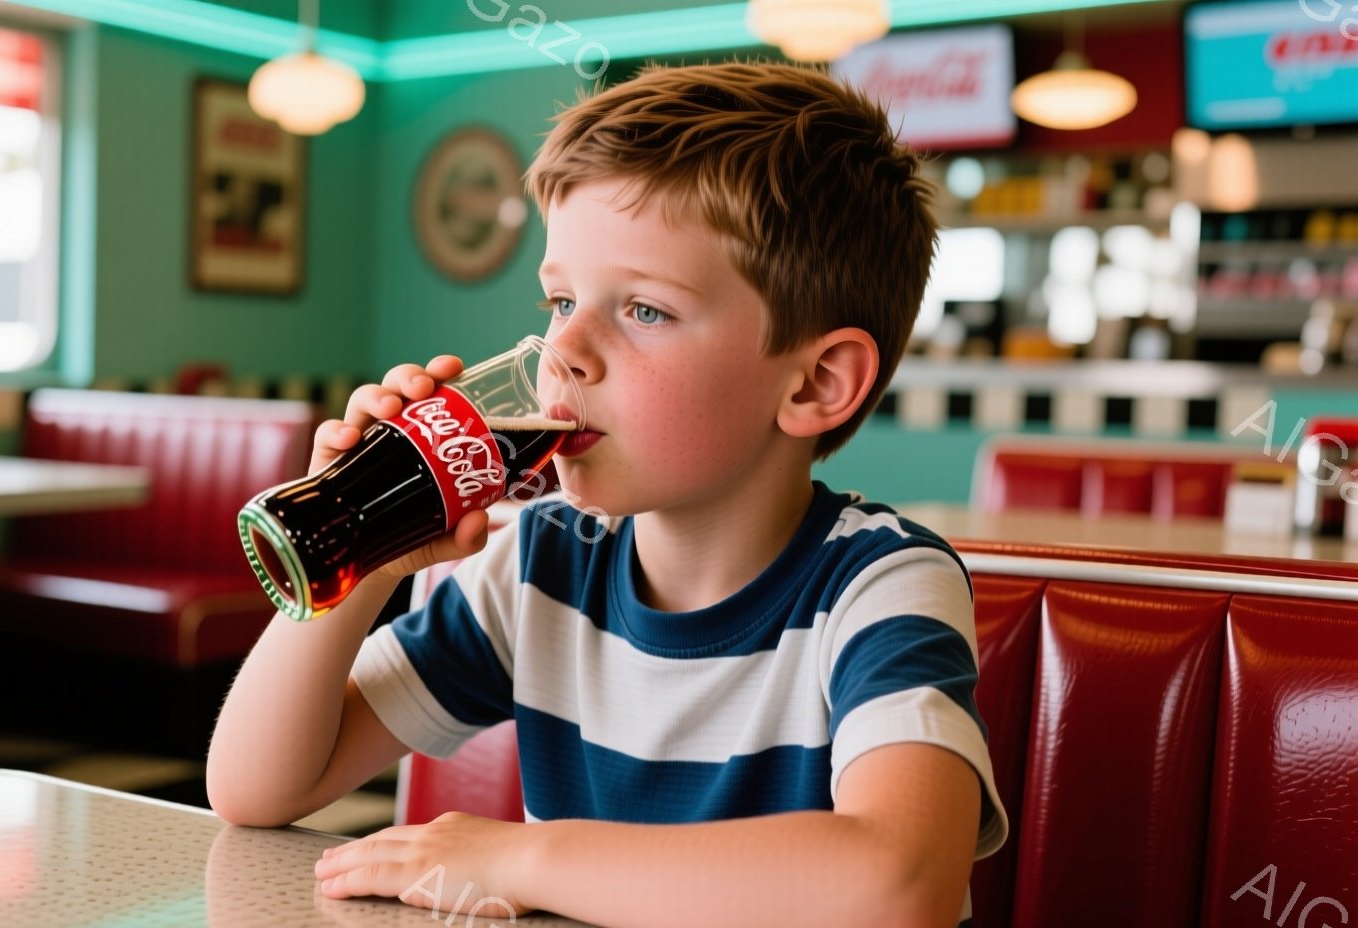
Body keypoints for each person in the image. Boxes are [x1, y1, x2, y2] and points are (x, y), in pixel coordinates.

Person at [207, 61, 1007, 928]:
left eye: (646, 311)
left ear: (816, 383)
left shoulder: (879, 587)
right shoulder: (543, 565)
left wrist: (520, 855)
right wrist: (363, 551)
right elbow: (255, 787)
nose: (566, 352)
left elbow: (899, 885)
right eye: (560, 300)